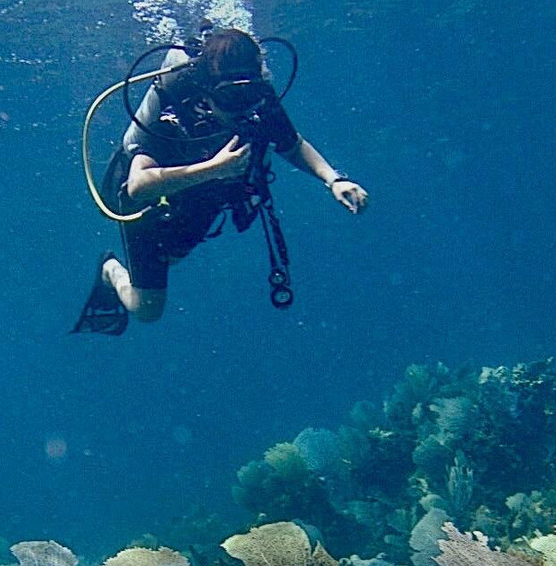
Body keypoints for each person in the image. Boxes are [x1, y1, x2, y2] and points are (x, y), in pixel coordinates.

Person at [73, 27, 368, 336]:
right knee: (148, 310)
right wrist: (213, 168)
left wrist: (333, 180)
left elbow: (292, 144)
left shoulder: (259, 103)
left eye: (249, 96)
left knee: (171, 256)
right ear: (205, 91)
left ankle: (153, 258)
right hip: (147, 199)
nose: (241, 109)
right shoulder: (174, 106)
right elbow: (138, 184)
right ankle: (110, 270)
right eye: (230, 98)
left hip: (205, 191)